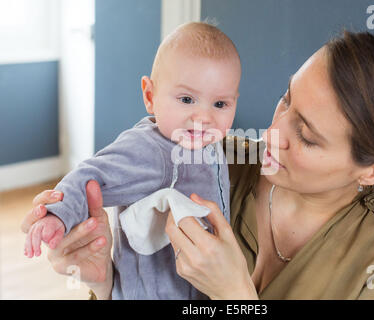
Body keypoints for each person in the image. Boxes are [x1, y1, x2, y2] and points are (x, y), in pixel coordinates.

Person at [22, 30, 374, 299]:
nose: (273, 132)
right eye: (286, 98)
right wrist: (103, 281)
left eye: (306, 136)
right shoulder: (211, 160)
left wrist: (236, 297)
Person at [21, 22, 242, 299]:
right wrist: (58, 215)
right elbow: (91, 176)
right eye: (187, 99)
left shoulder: (210, 145)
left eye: (220, 104)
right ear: (150, 96)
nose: (203, 117)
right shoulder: (151, 149)